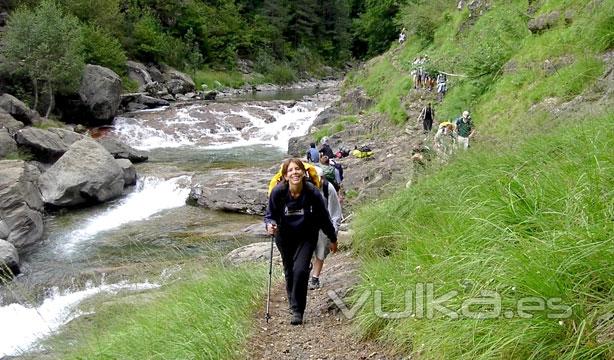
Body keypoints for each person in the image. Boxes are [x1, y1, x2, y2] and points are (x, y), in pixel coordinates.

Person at [265, 158, 337, 325]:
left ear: (304, 173)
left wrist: (332, 238)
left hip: (306, 236)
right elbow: (270, 215)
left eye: (297, 169)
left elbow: (324, 218)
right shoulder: (278, 192)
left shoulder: (312, 192)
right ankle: (292, 302)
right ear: (285, 175)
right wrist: (270, 225)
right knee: (290, 271)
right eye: (290, 170)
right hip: (284, 237)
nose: (294, 172)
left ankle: (298, 310)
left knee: (301, 271)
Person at [309, 167, 342, 290]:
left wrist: (333, 235)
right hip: (308, 225)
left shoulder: (329, 188)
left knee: (321, 250)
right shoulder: (308, 188)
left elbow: (335, 213)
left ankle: (315, 278)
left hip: (324, 225)